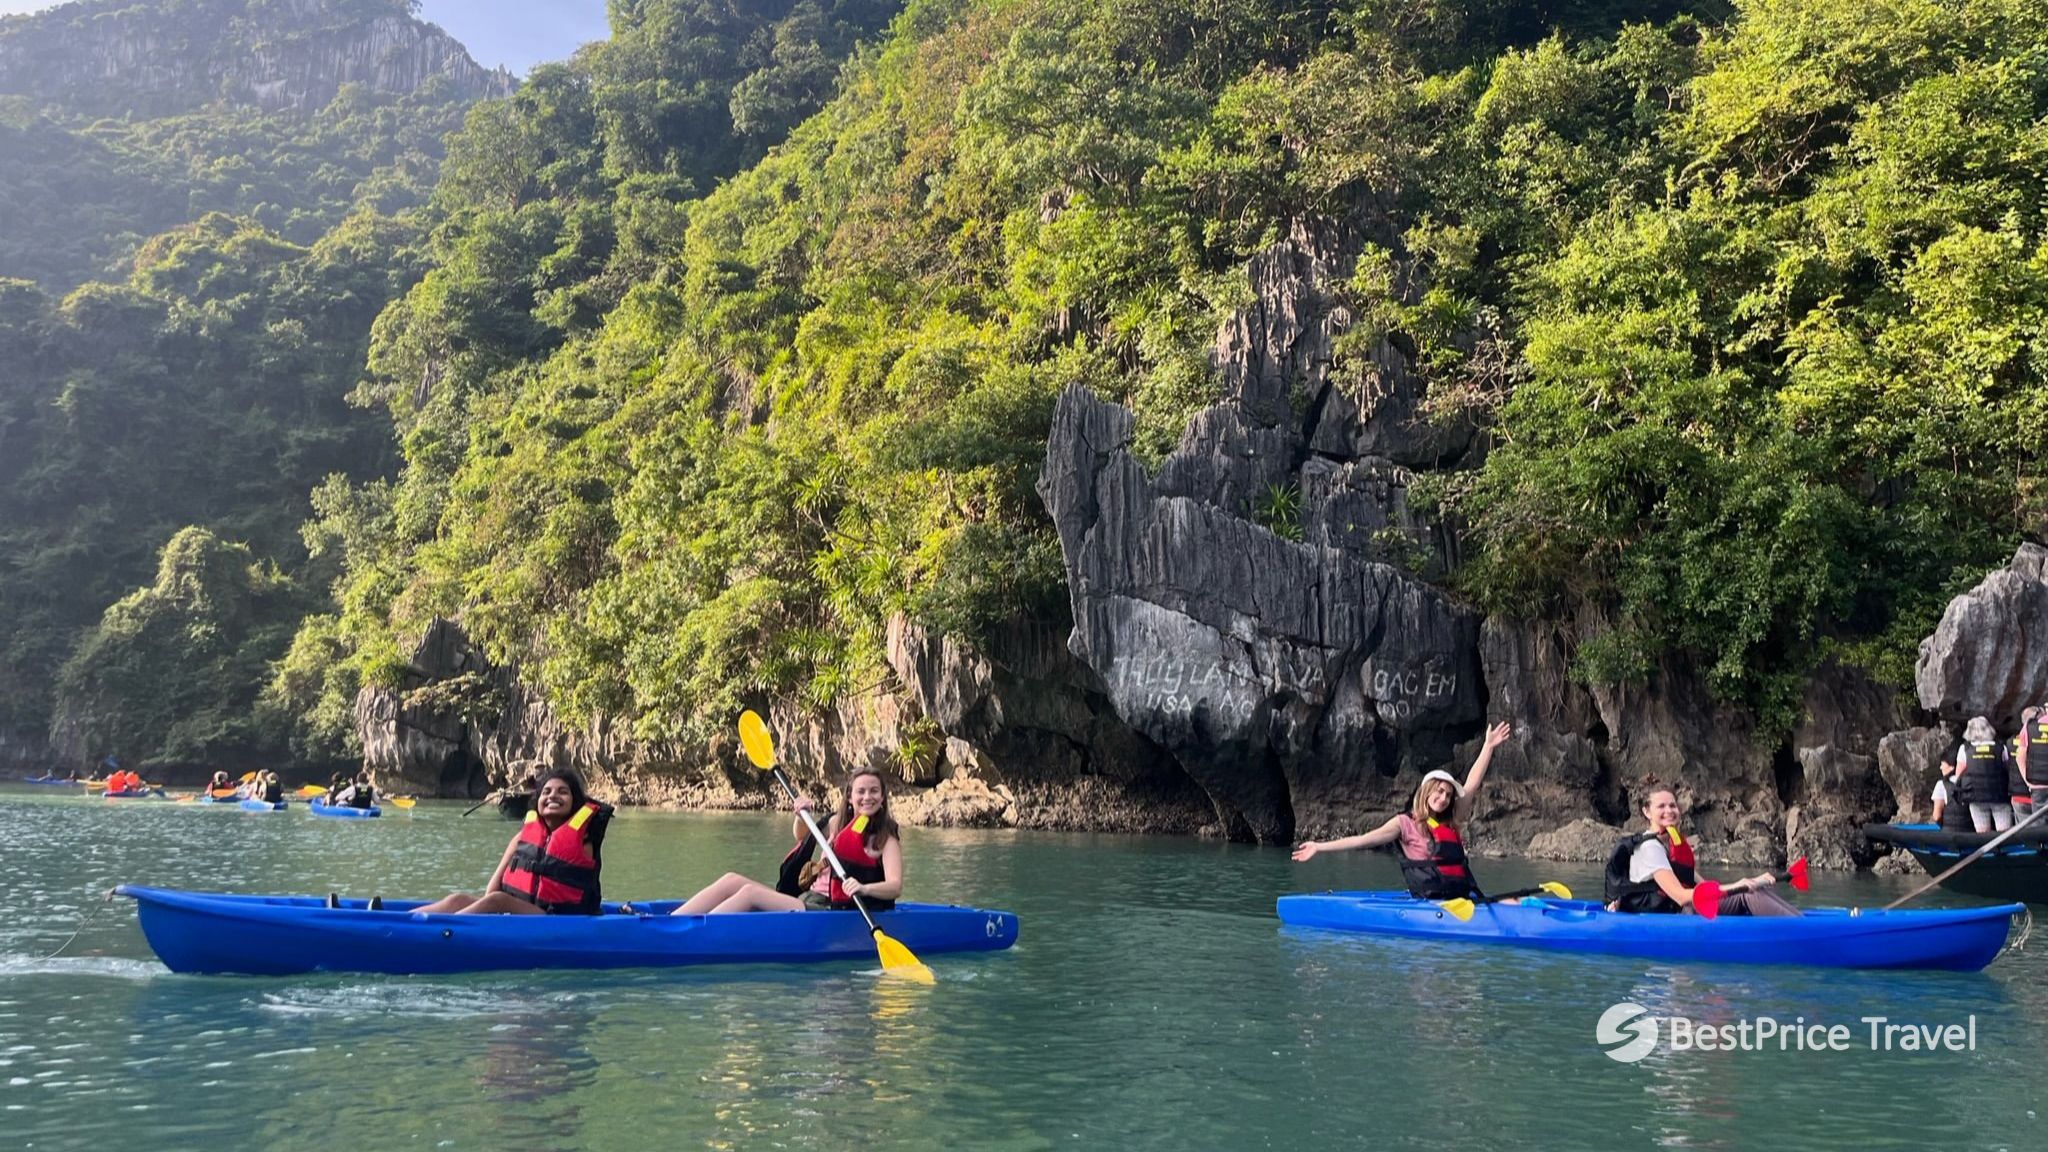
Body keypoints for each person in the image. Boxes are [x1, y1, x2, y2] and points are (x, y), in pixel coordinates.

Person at [1290, 721, 1513, 899]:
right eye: (1439, 791)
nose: (1444, 798)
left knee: (1514, 902)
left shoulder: (1451, 820)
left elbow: (1471, 784)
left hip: (1462, 898)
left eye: (1448, 795)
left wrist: (1488, 747)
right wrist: (1319, 847)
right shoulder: (1404, 824)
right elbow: (1364, 840)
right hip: (1432, 902)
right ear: (1426, 791)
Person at [673, 767, 904, 915]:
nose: (867, 797)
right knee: (731, 879)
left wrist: (863, 887)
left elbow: (895, 887)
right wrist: (800, 814)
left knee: (749, 893)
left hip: (832, 910)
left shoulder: (885, 838)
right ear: (850, 797)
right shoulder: (837, 823)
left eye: (874, 791)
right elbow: (802, 835)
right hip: (808, 899)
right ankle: (670, 923)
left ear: (882, 797)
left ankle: (696, 934)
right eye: (861, 791)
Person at [410, 769, 613, 915]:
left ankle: (443, 933)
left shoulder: (586, 840)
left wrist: (498, 905)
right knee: (458, 899)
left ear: (574, 802)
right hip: (519, 911)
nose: (553, 796)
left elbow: (496, 899)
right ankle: (396, 919)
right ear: (538, 802)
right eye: (546, 792)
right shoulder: (522, 837)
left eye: (563, 792)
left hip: (558, 917)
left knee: (498, 901)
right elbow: (492, 890)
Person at [1605, 789, 1800, 916]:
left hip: (1684, 910)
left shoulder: (1673, 842)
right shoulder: (1650, 848)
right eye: (1661, 806)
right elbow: (1681, 896)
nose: (1669, 810)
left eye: (1672, 805)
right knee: (1748, 897)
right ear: (1647, 812)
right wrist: (1739, 887)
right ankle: (1803, 931)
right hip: (1674, 915)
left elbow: (1706, 887)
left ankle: (1802, 923)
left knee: (1755, 890)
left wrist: (1752, 881)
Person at [1953, 716, 2012, 833]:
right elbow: (2008, 770)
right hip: (1999, 795)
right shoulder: (2001, 748)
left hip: (1975, 796)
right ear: (1989, 729)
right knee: (2004, 832)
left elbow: (1958, 775)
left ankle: (1988, 850)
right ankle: (2003, 850)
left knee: (1982, 832)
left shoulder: (1964, 749)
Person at [2014, 705, 2048, 810]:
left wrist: (2027, 780)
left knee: (2039, 824)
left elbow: (2019, 757)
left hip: (2038, 785)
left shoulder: (2028, 728)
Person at [1930, 759, 1973, 832]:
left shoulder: (1941, 784)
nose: (1941, 767)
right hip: (1971, 833)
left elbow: (1937, 816)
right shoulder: (1972, 782)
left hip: (1949, 834)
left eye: (1943, 764)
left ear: (1952, 767)